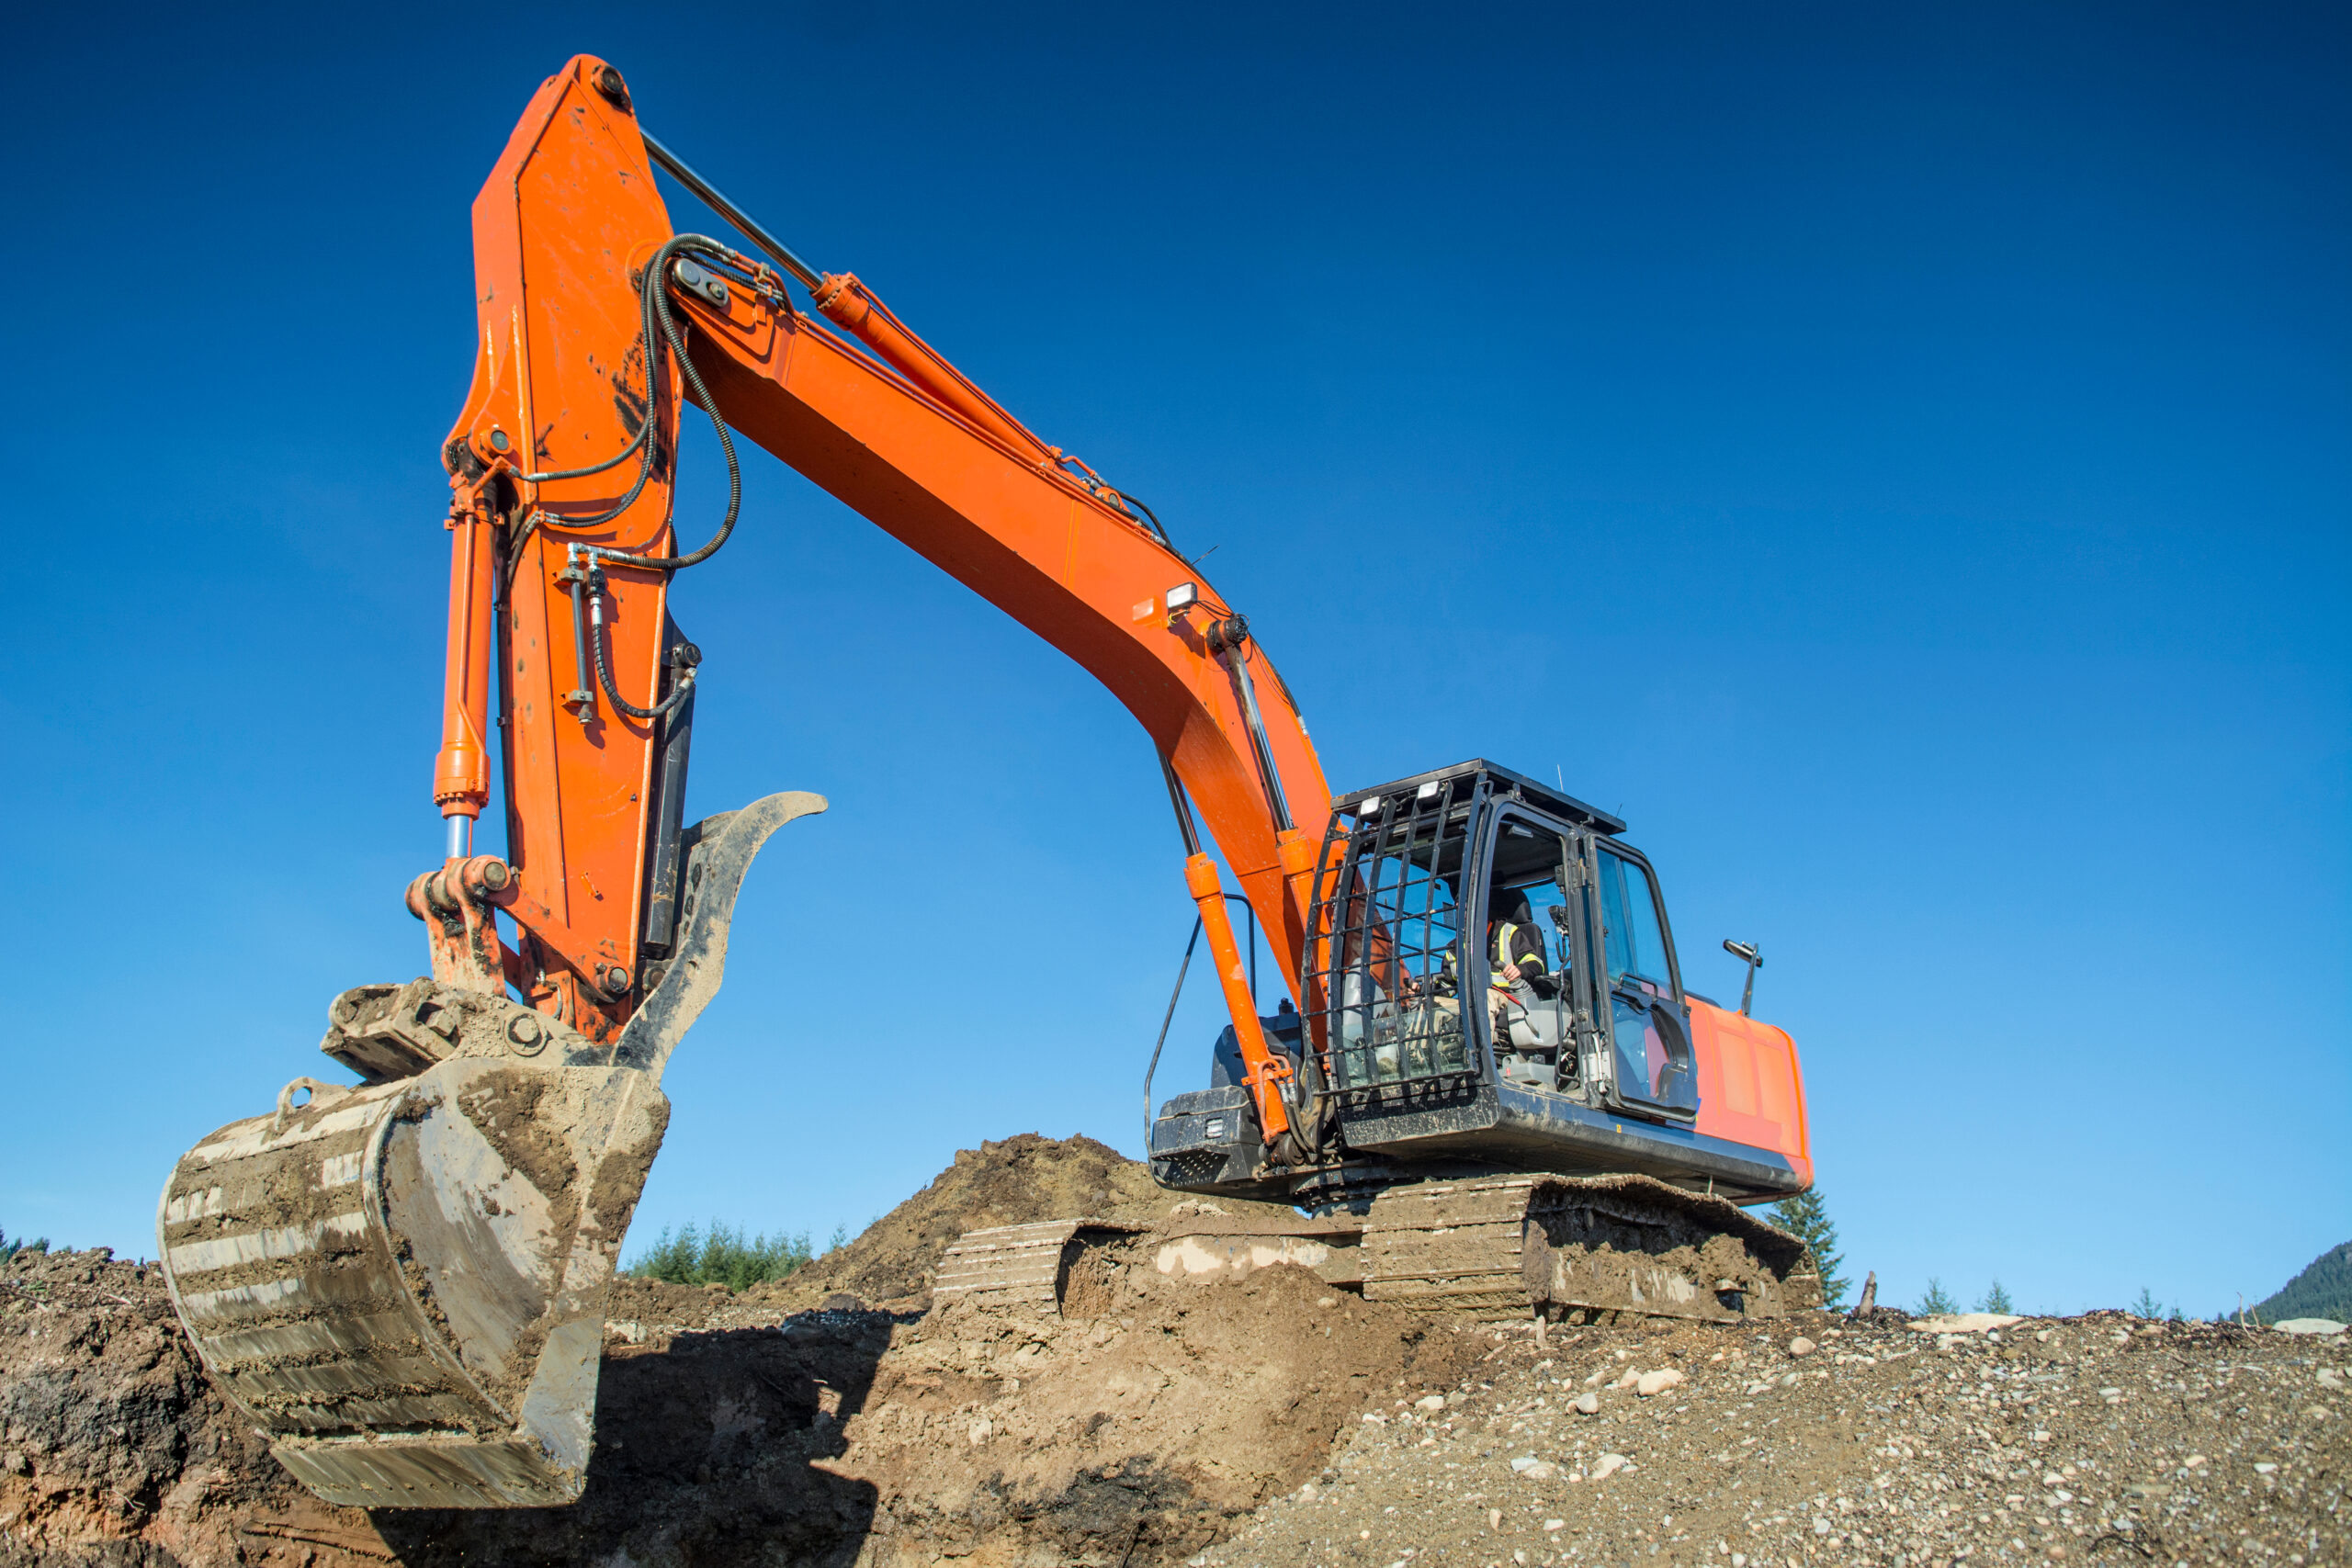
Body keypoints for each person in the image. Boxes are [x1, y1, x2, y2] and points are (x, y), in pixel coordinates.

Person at [1487, 888, 1549, 1047]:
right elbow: (1446, 983)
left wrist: (1520, 969)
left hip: (1507, 997)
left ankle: (1481, 1051)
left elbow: (1535, 963)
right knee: (1428, 1004)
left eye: (1466, 906)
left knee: (1483, 998)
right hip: (1471, 1000)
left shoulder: (1509, 933)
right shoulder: (1458, 946)